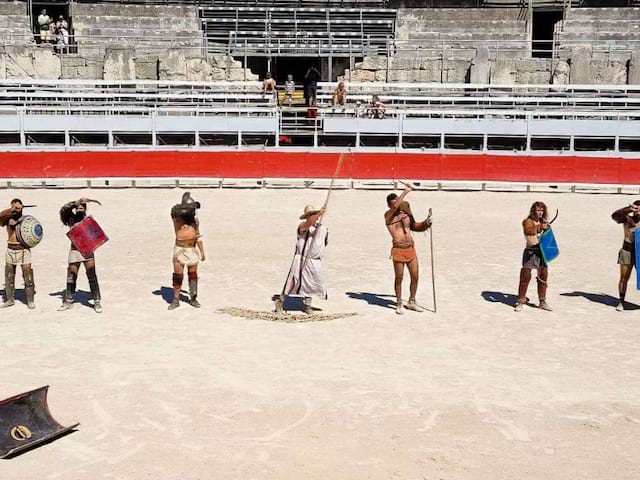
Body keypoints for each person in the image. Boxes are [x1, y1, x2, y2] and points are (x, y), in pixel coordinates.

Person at [384, 185, 431, 314]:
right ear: (389, 205)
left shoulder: (405, 214)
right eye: (394, 204)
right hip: (398, 250)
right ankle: (399, 302)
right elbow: (395, 206)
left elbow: (415, 226)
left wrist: (426, 223)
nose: (397, 205)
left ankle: (412, 301)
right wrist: (406, 191)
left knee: (415, 276)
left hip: (410, 248)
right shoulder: (388, 216)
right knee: (399, 277)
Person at [275, 205, 328, 314]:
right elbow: (307, 225)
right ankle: (280, 302)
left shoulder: (322, 229)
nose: (314, 218)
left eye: (314, 215)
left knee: (312, 282)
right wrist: (319, 213)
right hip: (301, 260)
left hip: (314, 260)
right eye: (311, 215)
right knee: (293, 281)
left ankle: (307, 305)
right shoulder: (303, 227)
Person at [57, 198, 103, 313]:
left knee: (92, 276)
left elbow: (95, 236)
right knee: (71, 276)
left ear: (85, 209)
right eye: (78, 207)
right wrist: (74, 203)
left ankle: (97, 301)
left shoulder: (88, 221)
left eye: (82, 207)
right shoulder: (70, 219)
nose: (79, 209)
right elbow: (63, 210)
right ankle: (68, 300)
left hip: (87, 251)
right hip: (75, 250)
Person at [169, 193, 205, 310]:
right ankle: (176, 299)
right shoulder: (177, 219)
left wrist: (202, 251)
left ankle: (193, 297)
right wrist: (187, 207)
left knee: (193, 275)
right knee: (178, 275)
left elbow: (198, 237)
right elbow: (175, 211)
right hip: (180, 249)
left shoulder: (194, 222)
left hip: (192, 249)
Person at [514, 202, 552, 312]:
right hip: (530, 251)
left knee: (543, 276)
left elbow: (547, 237)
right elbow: (529, 231)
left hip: (542, 252)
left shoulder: (543, 222)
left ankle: (542, 301)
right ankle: (520, 301)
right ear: (533, 210)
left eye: (542, 210)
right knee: (525, 276)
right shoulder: (527, 221)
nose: (540, 212)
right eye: (538, 210)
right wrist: (540, 227)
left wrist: (547, 228)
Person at [0, 199, 35, 309]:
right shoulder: (7, 219)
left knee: (27, 274)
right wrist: (11, 210)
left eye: (18, 207)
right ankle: (10, 299)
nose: (16, 210)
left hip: (23, 249)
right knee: (9, 275)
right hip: (10, 248)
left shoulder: (26, 220)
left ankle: (30, 300)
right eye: (14, 207)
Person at [611, 200, 640, 311]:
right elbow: (614, 216)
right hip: (627, 251)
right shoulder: (627, 219)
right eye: (636, 209)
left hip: (639, 252)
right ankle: (621, 301)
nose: (638, 211)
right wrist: (628, 208)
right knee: (624, 277)